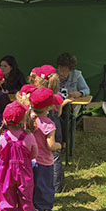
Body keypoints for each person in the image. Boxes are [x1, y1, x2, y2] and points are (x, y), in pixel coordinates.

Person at [0, 101, 37, 211]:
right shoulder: (29, 136)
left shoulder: (3, 137)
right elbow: (34, 154)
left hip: (5, 171)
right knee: (26, 196)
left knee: (6, 194)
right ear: (24, 119)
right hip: (24, 171)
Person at [29, 88, 62, 211]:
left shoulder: (29, 117)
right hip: (44, 162)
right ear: (49, 107)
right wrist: (59, 146)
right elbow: (50, 145)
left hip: (30, 160)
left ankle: (31, 210)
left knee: (32, 186)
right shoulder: (48, 124)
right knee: (45, 188)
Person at [34, 65, 65, 193]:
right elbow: (59, 114)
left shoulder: (37, 95)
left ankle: (50, 185)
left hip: (41, 128)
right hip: (54, 127)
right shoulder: (57, 96)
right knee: (55, 155)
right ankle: (56, 185)